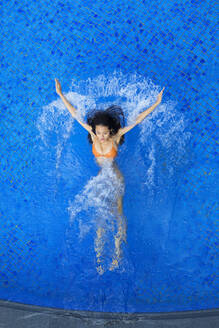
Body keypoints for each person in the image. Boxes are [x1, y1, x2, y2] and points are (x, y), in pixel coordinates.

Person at [55, 78, 164, 273]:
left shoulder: (117, 136)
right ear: (95, 131)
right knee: (100, 215)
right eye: (99, 133)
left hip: (116, 178)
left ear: (110, 131)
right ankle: (99, 257)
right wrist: (61, 94)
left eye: (105, 133)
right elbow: (74, 114)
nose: (102, 136)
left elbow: (139, 119)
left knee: (118, 214)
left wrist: (156, 103)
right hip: (100, 179)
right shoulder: (93, 133)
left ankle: (117, 253)